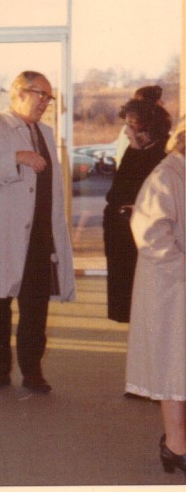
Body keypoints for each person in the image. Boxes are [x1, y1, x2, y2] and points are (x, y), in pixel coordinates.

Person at [0, 70, 75, 394]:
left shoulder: (45, 132)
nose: (45, 102)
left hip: (40, 237)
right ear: (18, 93)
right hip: (3, 235)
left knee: (35, 307)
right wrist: (16, 158)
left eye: (48, 96)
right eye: (39, 94)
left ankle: (32, 371)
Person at [125, 118, 185, 476]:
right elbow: (149, 234)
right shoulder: (166, 176)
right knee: (174, 368)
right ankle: (176, 446)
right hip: (171, 287)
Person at [103, 89, 171, 322]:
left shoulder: (164, 159)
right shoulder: (136, 152)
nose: (125, 131)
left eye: (130, 126)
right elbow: (116, 194)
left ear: (146, 131)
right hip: (124, 240)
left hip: (144, 244)